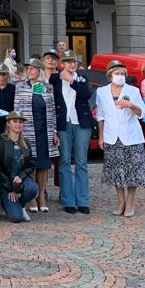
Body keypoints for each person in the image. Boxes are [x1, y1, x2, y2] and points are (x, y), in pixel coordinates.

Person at [95, 61, 145, 217]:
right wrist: (101, 137)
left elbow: (143, 112)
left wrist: (131, 105)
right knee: (116, 172)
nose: (120, 76)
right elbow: (100, 115)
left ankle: (130, 202)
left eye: (122, 74)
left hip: (131, 136)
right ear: (110, 75)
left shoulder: (133, 90)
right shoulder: (102, 92)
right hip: (111, 136)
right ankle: (121, 201)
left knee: (133, 171)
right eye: (117, 73)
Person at [14, 59, 58, 212]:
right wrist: (17, 130)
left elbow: (52, 110)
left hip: (44, 129)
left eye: (33, 68)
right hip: (27, 129)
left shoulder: (47, 87)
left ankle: (41, 196)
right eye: (28, 68)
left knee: (44, 165)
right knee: (31, 163)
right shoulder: (20, 86)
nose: (30, 71)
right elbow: (16, 108)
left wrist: (54, 131)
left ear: (39, 70)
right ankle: (32, 197)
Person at [51, 51, 91, 215]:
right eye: (68, 62)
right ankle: (68, 199)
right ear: (62, 64)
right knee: (64, 161)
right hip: (63, 123)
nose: (71, 65)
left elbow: (86, 94)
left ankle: (83, 200)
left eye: (73, 61)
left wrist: (72, 81)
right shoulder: (55, 79)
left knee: (81, 161)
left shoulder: (81, 78)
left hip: (81, 122)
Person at [0, 111, 39, 224]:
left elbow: (31, 165)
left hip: (19, 179)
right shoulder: (0, 141)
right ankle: (7, 203)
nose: (18, 124)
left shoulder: (26, 143)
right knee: (16, 218)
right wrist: (10, 188)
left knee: (33, 188)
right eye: (15, 121)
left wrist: (20, 176)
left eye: (20, 122)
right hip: (4, 183)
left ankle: (20, 205)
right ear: (8, 123)